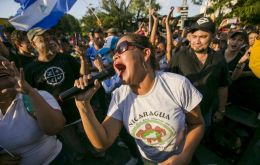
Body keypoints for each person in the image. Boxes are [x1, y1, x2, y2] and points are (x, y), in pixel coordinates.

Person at [74, 34, 205, 164]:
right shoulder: (120, 96)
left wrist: (185, 155)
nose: (114, 56)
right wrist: (83, 105)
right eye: (114, 54)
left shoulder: (177, 85)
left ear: (145, 54)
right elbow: (102, 142)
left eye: (122, 48)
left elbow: (197, 124)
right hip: (148, 161)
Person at [0, 56, 66, 164]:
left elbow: (56, 127)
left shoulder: (38, 95)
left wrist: (30, 92)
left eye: (5, 64)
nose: (1, 68)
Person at [167, 17, 230, 129]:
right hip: (179, 114)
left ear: (212, 36)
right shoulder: (179, 56)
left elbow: (223, 86)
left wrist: (221, 110)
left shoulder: (219, 59)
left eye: (203, 37)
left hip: (205, 114)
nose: (197, 41)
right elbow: (167, 84)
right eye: (194, 36)